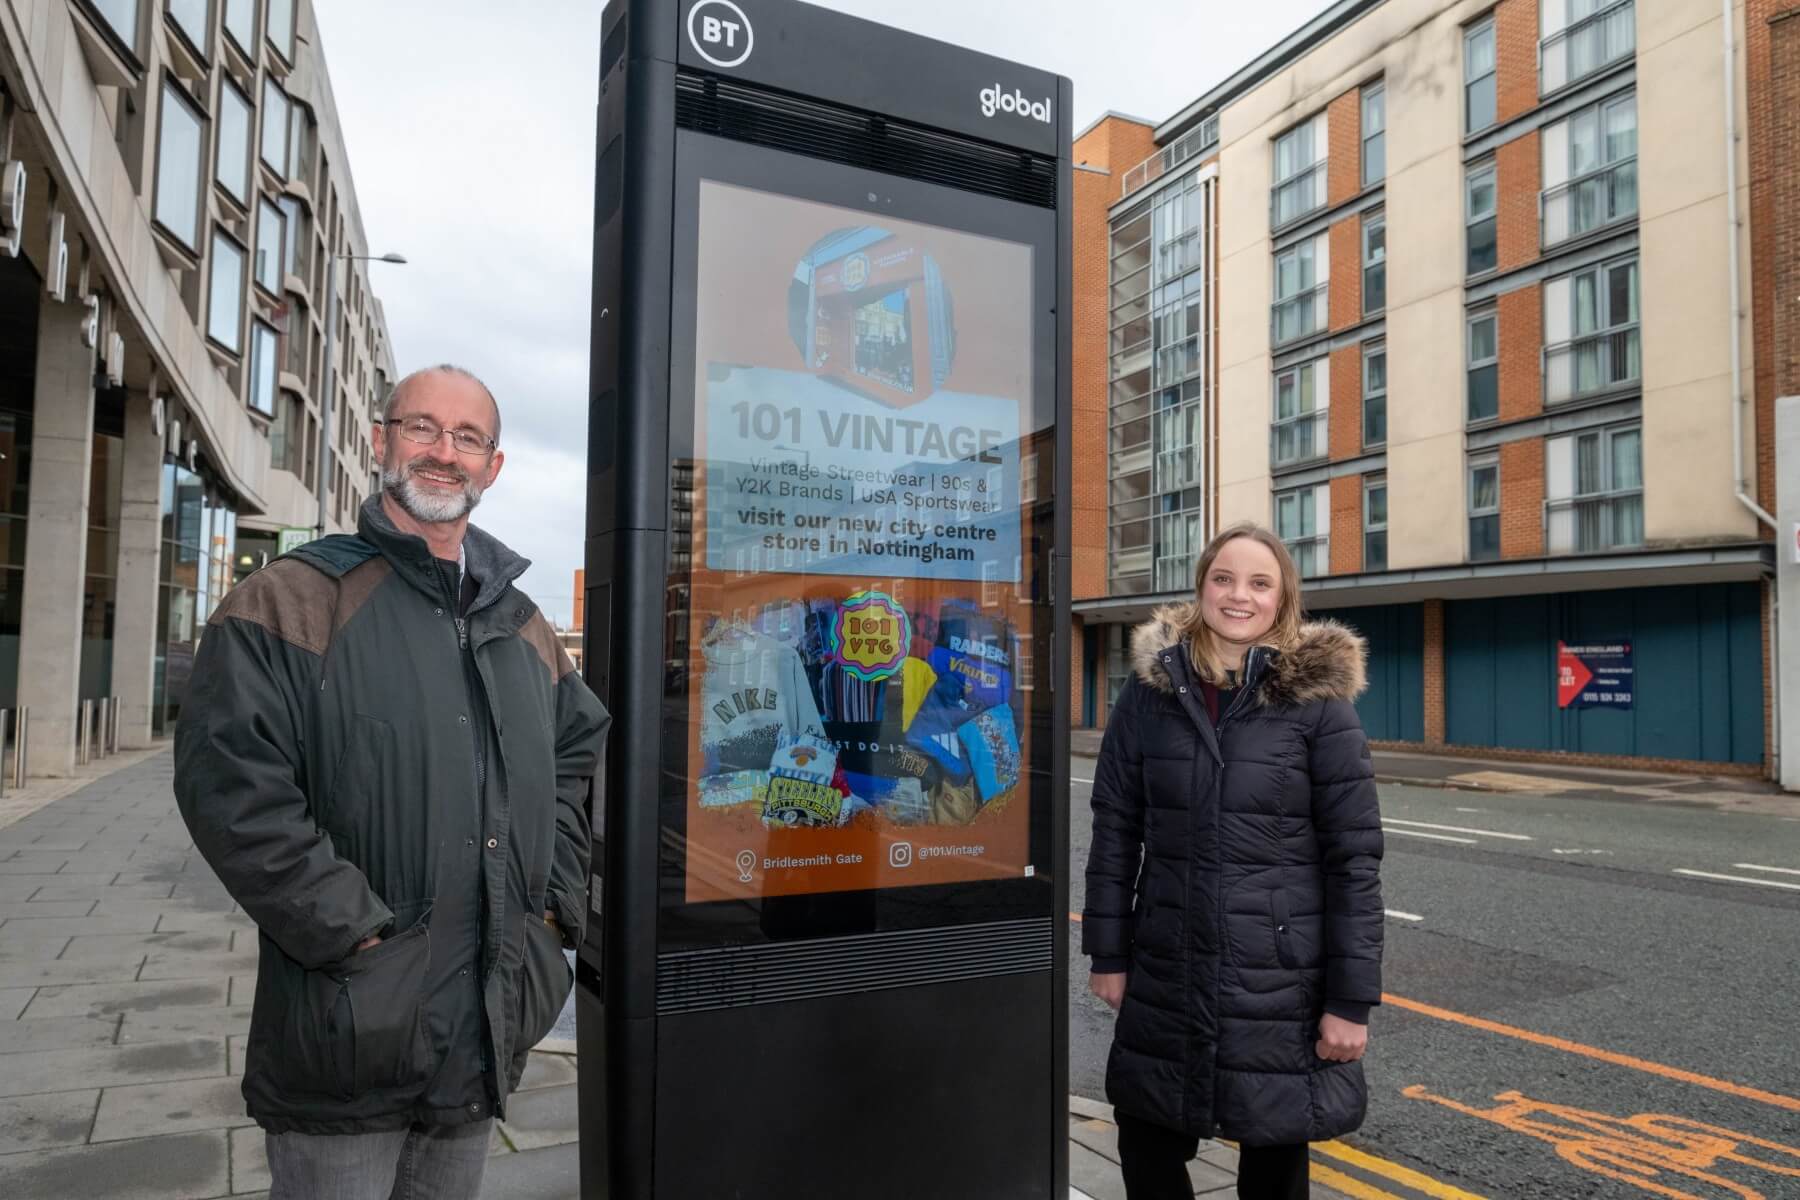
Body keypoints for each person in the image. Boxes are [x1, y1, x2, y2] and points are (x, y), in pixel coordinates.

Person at [174, 364, 609, 1199]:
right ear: (382, 441)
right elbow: (230, 786)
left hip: (483, 1030)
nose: (444, 452)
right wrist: (353, 935)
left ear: (492, 466)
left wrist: (551, 907)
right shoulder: (291, 599)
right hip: (348, 1031)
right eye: (422, 427)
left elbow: (576, 760)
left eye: (468, 437)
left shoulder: (522, 627)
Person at [1083, 522, 1384, 1200]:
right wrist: (1108, 952)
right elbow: (1115, 829)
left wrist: (1350, 1000)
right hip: (1166, 962)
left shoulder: (1320, 707)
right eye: (1223, 578)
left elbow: (1354, 860)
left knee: (1273, 1157)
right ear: (1201, 588)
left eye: (1259, 582)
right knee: (1146, 1139)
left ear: (1283, 599)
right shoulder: (1149, 694)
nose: (1238, 595)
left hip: (1277, 977)